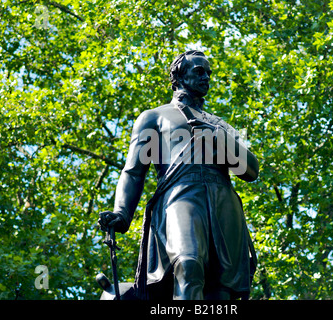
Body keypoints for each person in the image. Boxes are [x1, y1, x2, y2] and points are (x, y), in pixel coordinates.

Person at [98, 50, 259, 300]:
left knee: (222, 288)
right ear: (179, 76)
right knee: (188, 264)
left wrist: (218, 138)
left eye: (209, 72)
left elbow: (250, 170)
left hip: (223, 202)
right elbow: (133, 171)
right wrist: (121, 213)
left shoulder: (220, 124)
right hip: (181, 196)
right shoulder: (155, 117)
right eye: (199, 71)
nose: (206, 77)